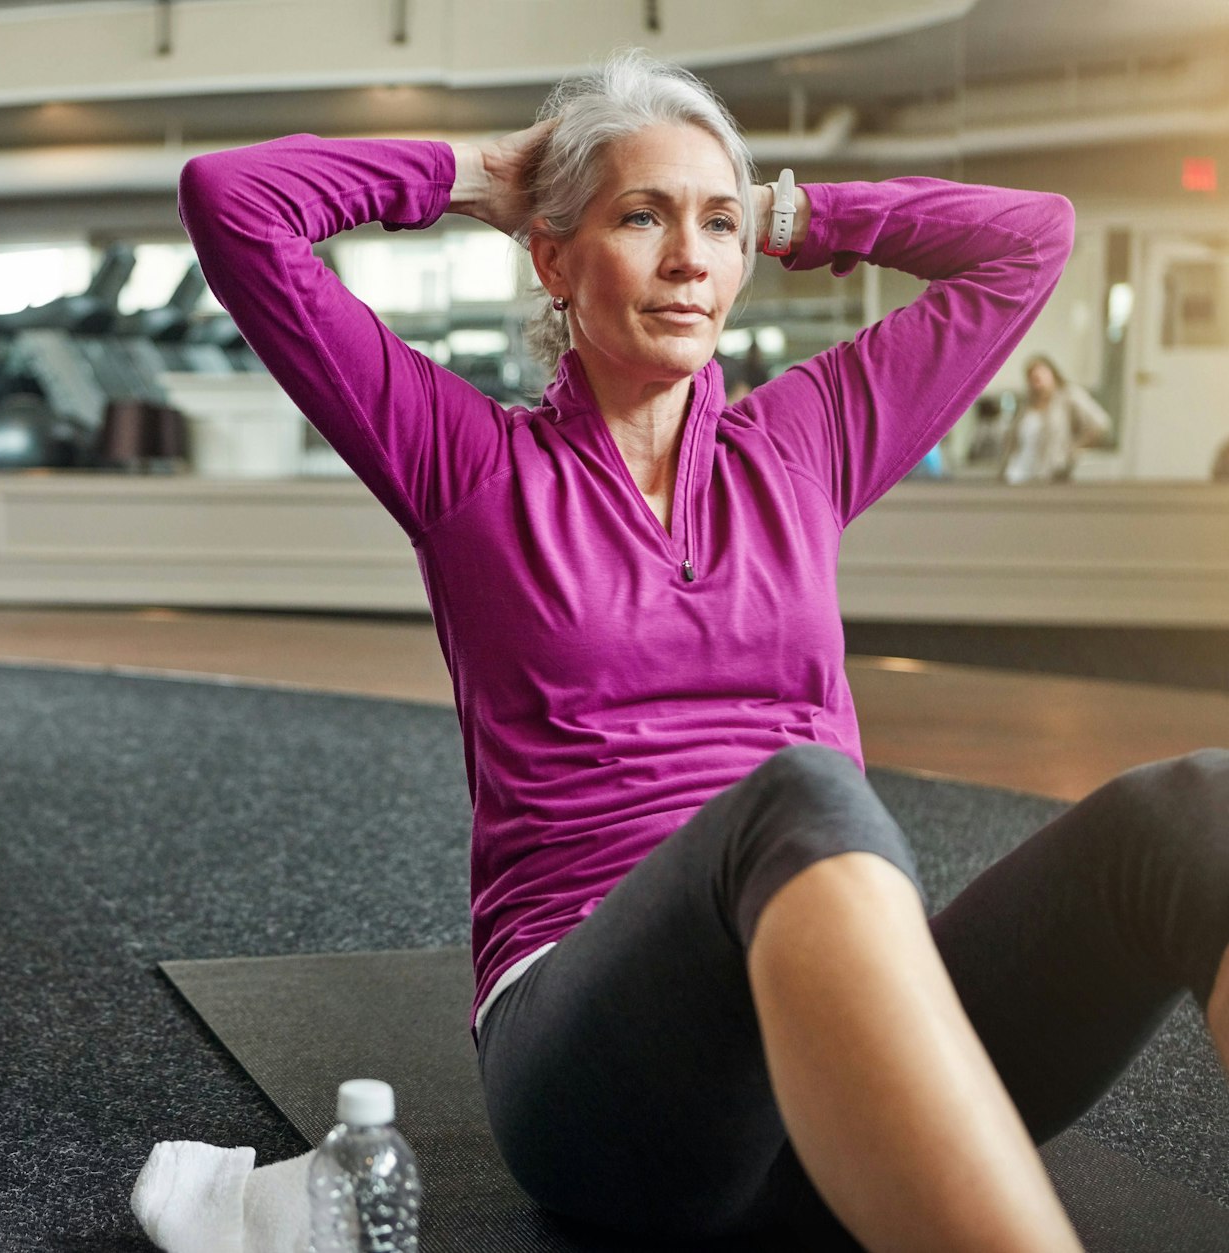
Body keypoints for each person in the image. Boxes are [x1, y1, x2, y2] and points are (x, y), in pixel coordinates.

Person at [138, 49, 1229, 1253]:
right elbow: (234, 202)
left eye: (715, 228)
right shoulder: (467, 466)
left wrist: (784, 210)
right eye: (640, 216)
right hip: (601, 1079)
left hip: (842, 1043)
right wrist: (480, 177)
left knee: (1199, 807)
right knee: (804, 793)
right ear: (552, 257)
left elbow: (1029, 235)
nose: (686, 259)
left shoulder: (801, 442)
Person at [1000, 354, 1113, 484]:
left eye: (1041, 374)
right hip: (1017, 475)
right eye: (1032, 377)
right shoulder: (1026, 405)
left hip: (1051, 475)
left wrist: (1073, 449)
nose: (1037, 380)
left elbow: (1100, 423)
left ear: (1053, 373)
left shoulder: (1068, 396)